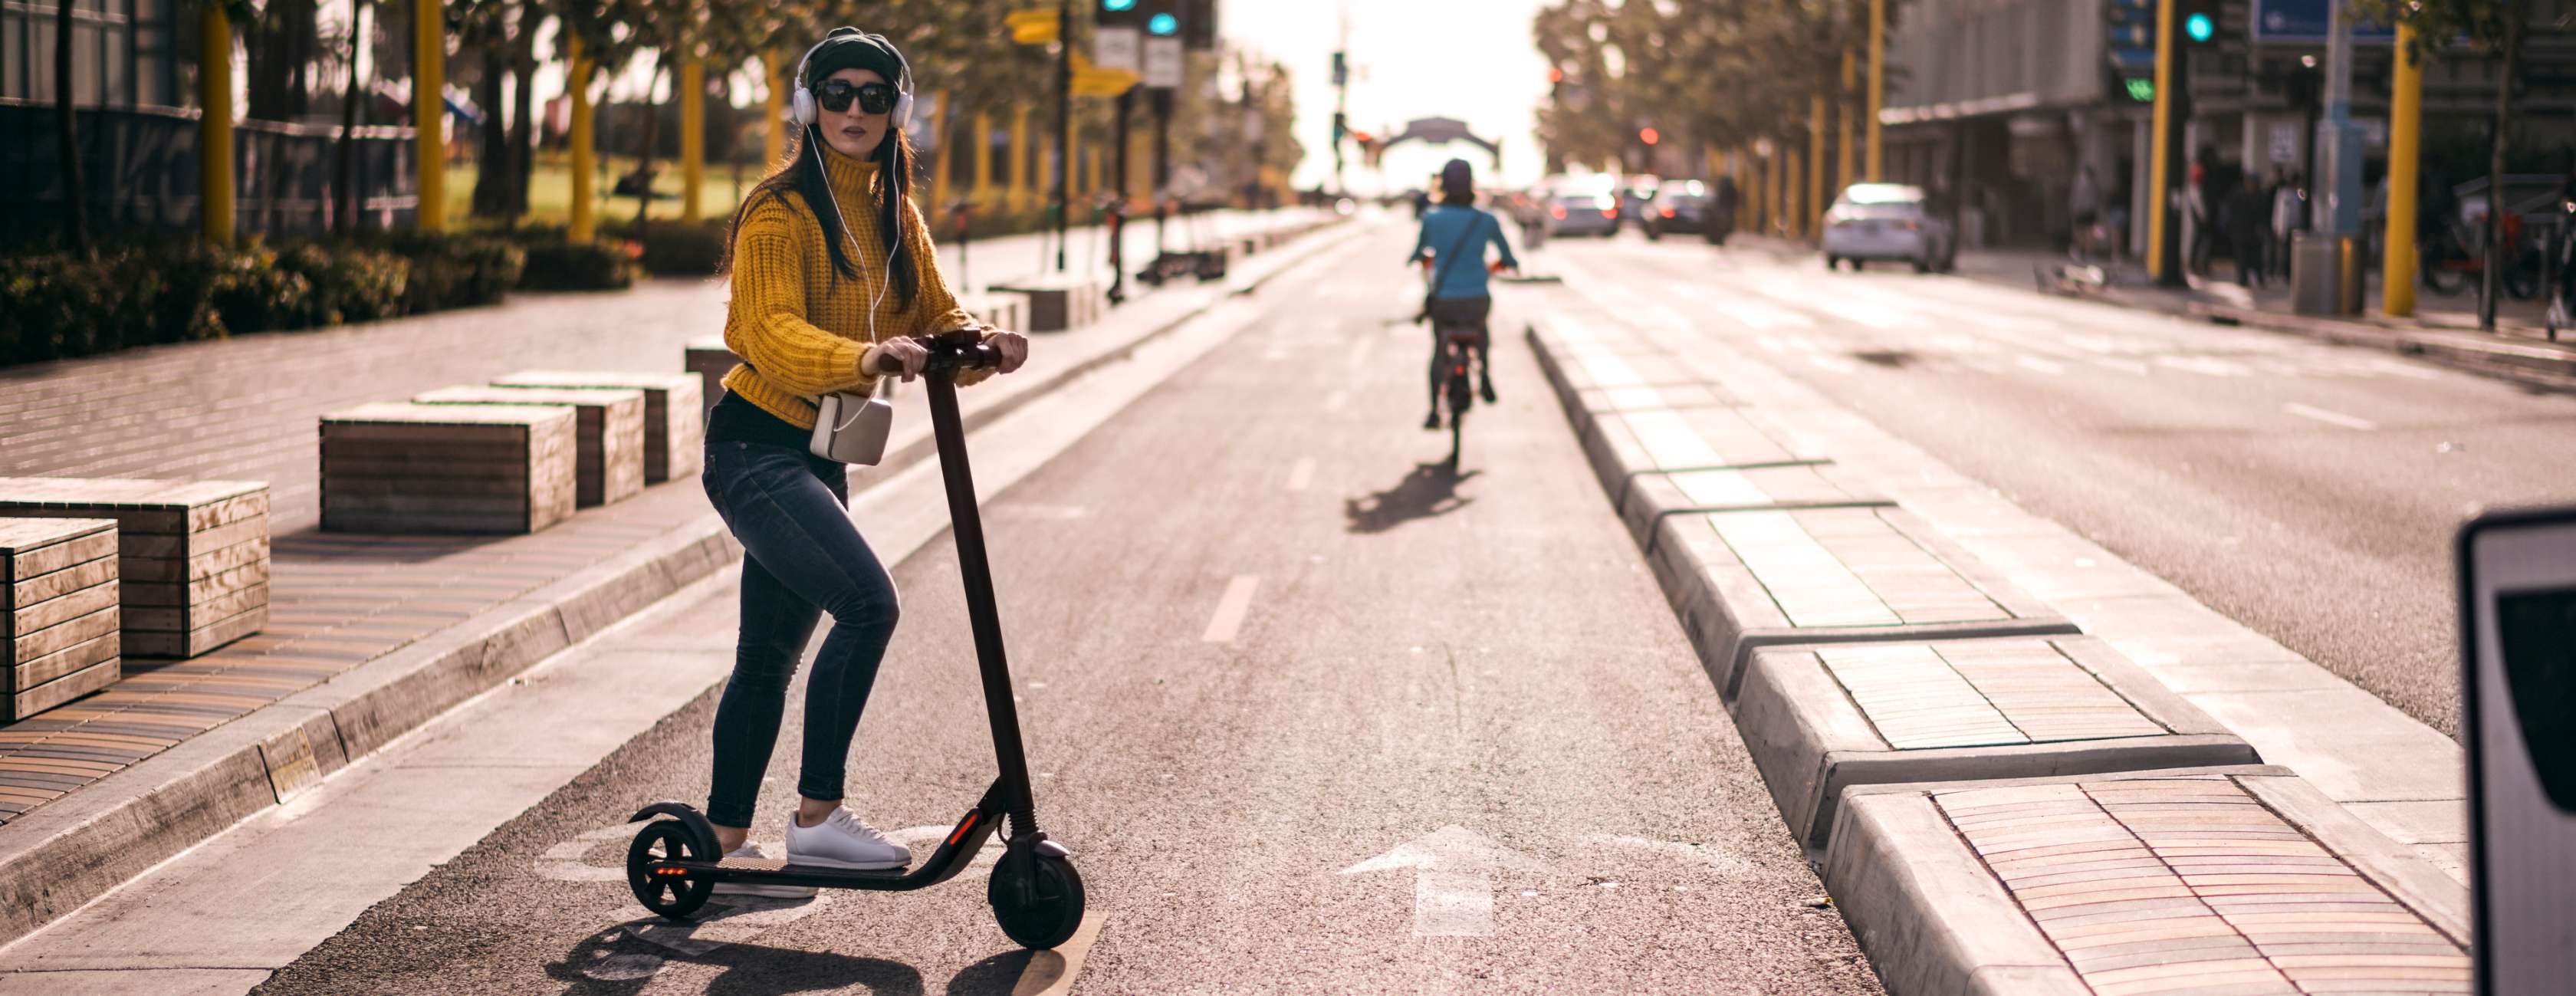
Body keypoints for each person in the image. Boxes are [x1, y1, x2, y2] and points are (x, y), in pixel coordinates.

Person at [700, 27, 1029, 897]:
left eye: (873, 96)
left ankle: (722, 831)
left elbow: (933, 300)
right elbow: (767, 330)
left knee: (767, 654)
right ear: (809, 105)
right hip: (754, 447)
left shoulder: (892, 210)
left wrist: (982, 339)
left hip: (819, 452)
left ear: (897, 112)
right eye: (837, 93)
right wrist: (865, 358)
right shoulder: (780, 211)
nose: (854, 110)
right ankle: (816, 821)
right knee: (868, 603)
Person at [1408, 158, 1518, 429]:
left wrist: (1425, 262)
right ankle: (1485, 377)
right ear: (1472, 186)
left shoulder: (1431, 219)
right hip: (1476, 299)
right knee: (1481, 329)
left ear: (1443, 186)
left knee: (1438, 349)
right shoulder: (1486, 220)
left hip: (1444, 300)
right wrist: (1493, 268)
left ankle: (1434, 411)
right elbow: (1507, 258)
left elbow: (1418, 254)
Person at [2226, 172, 2272, 289]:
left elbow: (2264, 215)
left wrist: (2262, 228)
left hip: (2255, 233)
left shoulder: (2260, 196)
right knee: (2241, 258)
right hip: (2240, 232)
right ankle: (2243, 280)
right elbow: (2232, 213)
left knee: (2257, 259)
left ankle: (2260, 279)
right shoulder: (2238, 195)